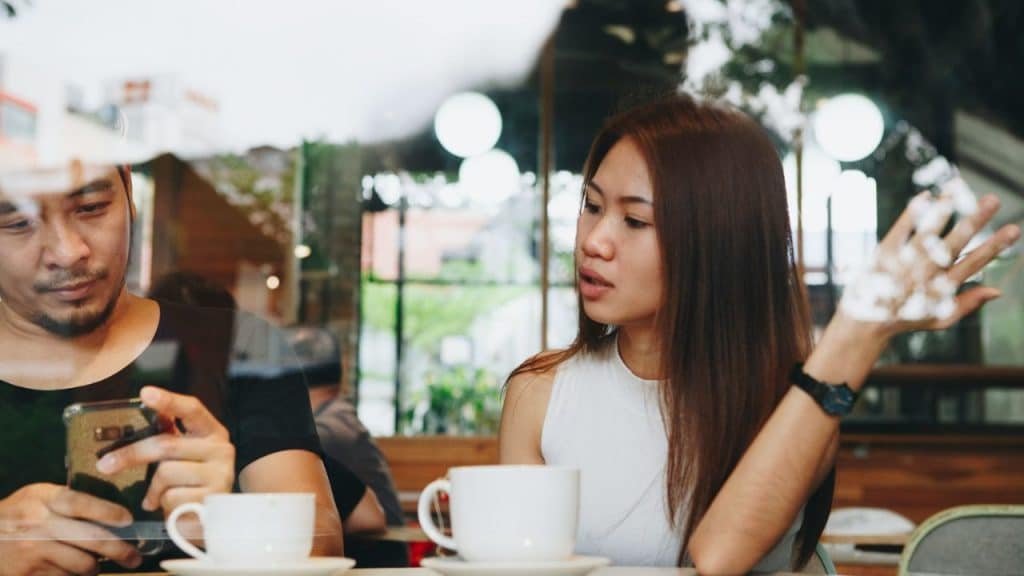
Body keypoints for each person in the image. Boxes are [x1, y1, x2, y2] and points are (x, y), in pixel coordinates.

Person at [499, 93, 1019, 574]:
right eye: (592, 207)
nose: (595, 241)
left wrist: (861, 329)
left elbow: (721, 557)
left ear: (717, 242)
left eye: (635, 221)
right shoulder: (540, 393)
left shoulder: (792, 404)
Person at [0, 162, 344, 575]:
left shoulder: (238, 344)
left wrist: (227, 518)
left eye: (91, 207)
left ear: (128, 190)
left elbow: (322, 546)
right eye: (18, 223)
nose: (68, 251)